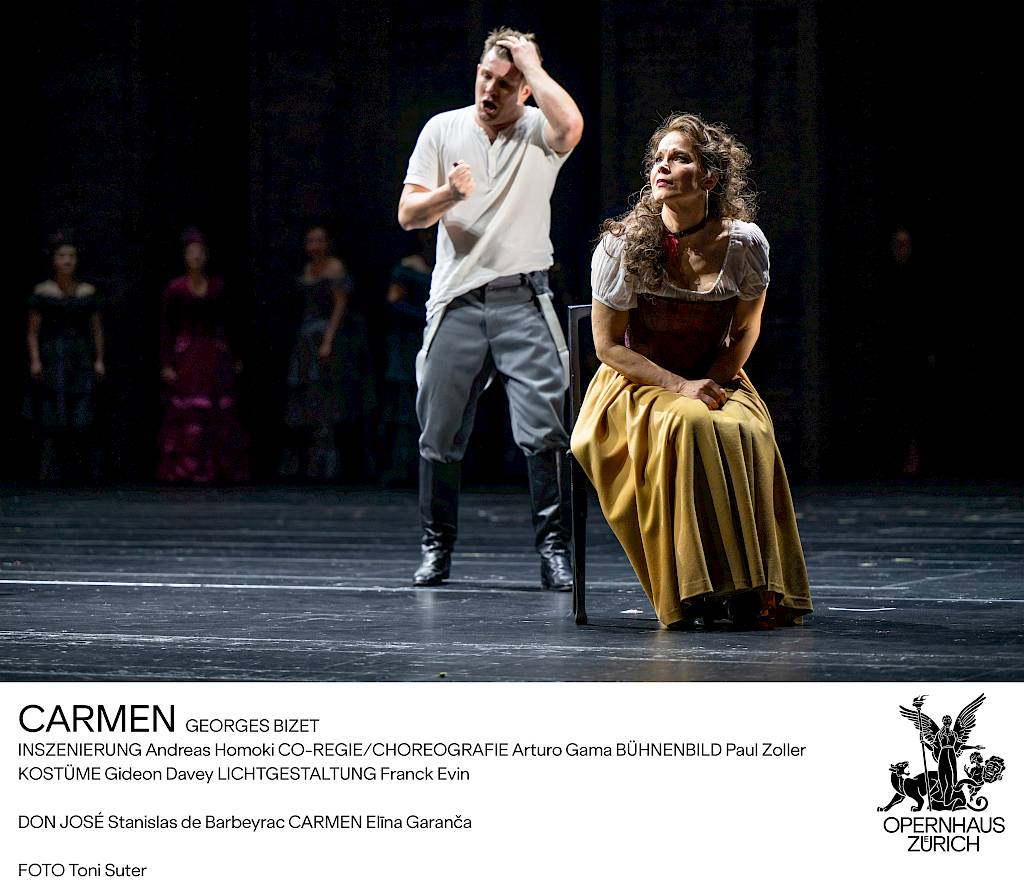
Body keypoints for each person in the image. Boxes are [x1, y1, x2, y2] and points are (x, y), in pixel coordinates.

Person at [570, 113, 813, 629]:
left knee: (749, 430)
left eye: (679, 158)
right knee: (689, 421)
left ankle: (751, 588)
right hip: (637, 382)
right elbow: (608, 347)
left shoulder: (744, 244)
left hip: (715, 372)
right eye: (659, 158)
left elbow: (745, 330)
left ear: (709, 178)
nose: (662, 166)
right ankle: (694, 589)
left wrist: (717, 380)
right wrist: (679, 385)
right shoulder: (622, 246)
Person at [397, 27, 584, 589]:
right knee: (438, 429)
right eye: (485, 77)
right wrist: (449, 194)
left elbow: (572, 126)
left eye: (506, 83)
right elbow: (408, 215)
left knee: (545, 429)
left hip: (522, 298)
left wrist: (532, 63)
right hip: (458, 299)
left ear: (525, 88)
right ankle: (436, 548)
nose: (490, 90)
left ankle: (554, 552)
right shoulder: (443, 128)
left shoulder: (539, 131)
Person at [280, 225, 375, 481]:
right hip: (307, 337)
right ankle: (310, 464)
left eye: (319, 240)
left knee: (330, 396)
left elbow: (340, 306)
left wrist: (328, 341)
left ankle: (331, 465)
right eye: (310, 241)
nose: (315, 246)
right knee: (309, 395)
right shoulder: (307, 269)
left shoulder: (335, 268)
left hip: (329, 335)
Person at [157, 229, 250, 483]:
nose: (196, 257)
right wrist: (166, 363)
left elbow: (230, 323)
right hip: (186, 353)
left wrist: (235, 355)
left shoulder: (218, 287)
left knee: (217, 407)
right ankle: (187, 467)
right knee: (190, 408)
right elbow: (167, 326)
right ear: (185, 256)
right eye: (191, 253)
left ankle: (217, 466)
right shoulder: (175, 288)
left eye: (200, 253)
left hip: (214, 352)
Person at [24, 232, 105, 482]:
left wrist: (99, 359)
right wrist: (35, 360)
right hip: (53, 355)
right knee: (53, 410)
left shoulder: (87, 291)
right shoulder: (43, 291)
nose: (67, 261)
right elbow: (32, 331)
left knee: (82, 411)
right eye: (62, 256)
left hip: (79, 354)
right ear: (54, 260)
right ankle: (51, 472)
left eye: (71, 256)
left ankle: (82, 472)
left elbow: (96, 330)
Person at [380, 230, 432, 487]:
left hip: (439, 340)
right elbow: (394, 302)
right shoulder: (407, 267)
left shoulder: (451, 262)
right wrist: (427, 315)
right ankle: (403, 468)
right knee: (406, 404)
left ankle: (432, 468)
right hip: (410, 341)